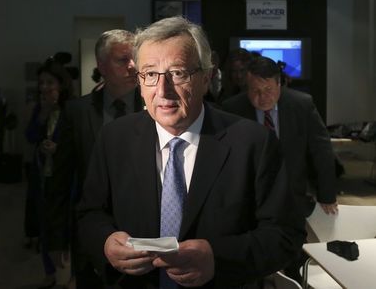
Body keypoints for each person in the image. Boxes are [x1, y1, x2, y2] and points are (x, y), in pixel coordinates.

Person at [76, 17, 305, 289]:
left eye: (178, 73)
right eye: (150, 74)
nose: (163, 90)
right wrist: (105, 242)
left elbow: (285, 235)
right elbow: (89, 215)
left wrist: (218, 259)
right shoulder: (114, 138)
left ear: (206, 77)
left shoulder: (253, 143)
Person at [222, 55, 339, 283]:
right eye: (255, 90)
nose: (262, 97)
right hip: (249, 195)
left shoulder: (301, 104)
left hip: (291, 193)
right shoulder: (231, 108)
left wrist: (327, 193)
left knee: (292, 249)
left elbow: (321, 150)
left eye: (268, 90)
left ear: (279, 84)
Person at [45, 29, 142, 288]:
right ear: (101, 65)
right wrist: (56, 238)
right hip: (93, 231)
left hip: (147, 231)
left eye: (135, 58)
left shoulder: (156, 106)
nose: (133, 66)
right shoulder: (77, 112)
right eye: (123, 60)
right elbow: (60, 179)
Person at [24, 57, 73, 289]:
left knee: (63, 224)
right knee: (44, 224)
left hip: (66, 178)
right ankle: (50, 272)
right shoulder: (39, 108)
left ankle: (68, 273)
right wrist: (43, 112)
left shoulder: (72, 108)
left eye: (50, 83)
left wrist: (59, 149)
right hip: (42, 176)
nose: (44, 88)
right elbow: (31, 136)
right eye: (41, 83)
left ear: (61, 84)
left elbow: (77, 143)